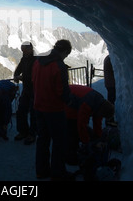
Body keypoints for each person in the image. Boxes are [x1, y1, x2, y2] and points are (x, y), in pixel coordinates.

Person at [32, 39, 75, 181]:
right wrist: (68, 100)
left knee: (42, 139)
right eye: (67, 54)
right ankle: (58, 173)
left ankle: (41, 171)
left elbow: (33, 80)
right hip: (54, 109)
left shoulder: (38, 62)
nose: (66, 57)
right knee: (59, 141)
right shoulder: (59, 66)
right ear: (64, 51)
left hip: (39, 106)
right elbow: (61, 90)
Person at [66, 84, 115, 150]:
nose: (102, 117)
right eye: (103, 116)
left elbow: (97, 121)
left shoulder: (100, 103)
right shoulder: (87, 104)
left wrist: (98, 138)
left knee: (87, 132)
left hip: (74, 97)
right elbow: (81, 125)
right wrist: (86, 143)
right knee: (73, 131)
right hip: (66, 103)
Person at [13, 41, 37, 145]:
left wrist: (21, 77)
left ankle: (32, 134)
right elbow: (18, 69)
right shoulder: (24, 59)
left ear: (30, 49)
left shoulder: (35, 60)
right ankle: (23, 132)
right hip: (27, 89)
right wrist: (16, 75)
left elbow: (34, 76)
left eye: (25, 50)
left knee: (33, 113)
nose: (24, 52)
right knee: (21, 111)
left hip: (34, 90)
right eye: (23, 50)